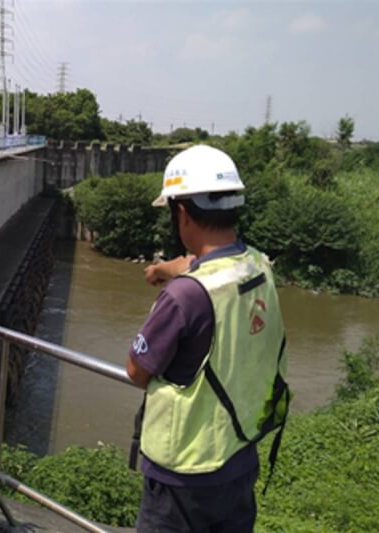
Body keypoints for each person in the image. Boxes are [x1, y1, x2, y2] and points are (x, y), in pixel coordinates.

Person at [127, 145, 290, 532]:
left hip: (184, 476)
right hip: (240, 453)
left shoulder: (184, 296)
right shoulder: (258, 266)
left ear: (181, 214)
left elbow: (136, 370)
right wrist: (174, 269)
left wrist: (176, 281)